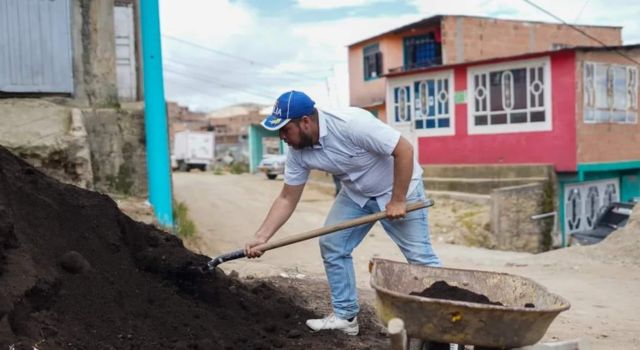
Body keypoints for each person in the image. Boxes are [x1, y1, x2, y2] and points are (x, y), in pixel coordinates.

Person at [244, 90, 441, 336]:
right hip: (356, 195)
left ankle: (446, 327)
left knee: (421, 259)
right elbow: (287, 198)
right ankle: (345, 316)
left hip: (399, 188)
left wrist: (398, 199)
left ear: (305, 122)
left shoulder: (351, 124)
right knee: (332, 244)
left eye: (285, 130)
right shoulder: (297, 152)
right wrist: (262, 236)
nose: (282, 137)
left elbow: (404, 150)